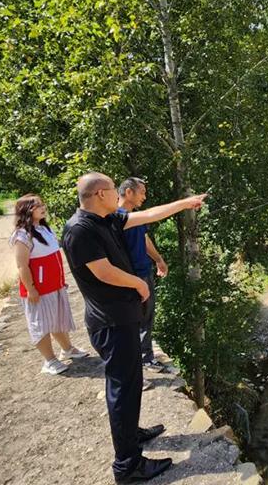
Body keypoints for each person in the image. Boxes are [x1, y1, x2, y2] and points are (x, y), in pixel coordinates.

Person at [61, 172, 206, 484]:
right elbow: (103, 271)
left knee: (129, 385)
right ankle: (128, 467)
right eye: (114, 189)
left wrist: (184, 203)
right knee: (123, 390)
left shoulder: (107, 219)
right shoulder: (79, 230)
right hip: (111, 323)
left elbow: (147, 215)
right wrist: (138, 283)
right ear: (100, 193)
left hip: (121, 316)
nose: (118, 194)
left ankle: (132, 434)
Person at [10, 194, 88, 375]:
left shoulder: (44, 229)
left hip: (55, 286)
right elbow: (22, 265)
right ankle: (49, 360)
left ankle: (67, 348)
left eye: (42, 204)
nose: (42, 208)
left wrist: (60, 280)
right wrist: (31, 289)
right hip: (39, 289)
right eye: (37, 206)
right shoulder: (22, 235)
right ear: (26, 210)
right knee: (41, 324)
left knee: (57, 319)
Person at [116, 177, 168, 368]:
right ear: (128, 192)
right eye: (142, 192)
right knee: (136, 318)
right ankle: (143, 360)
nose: (145, 197)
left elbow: (145, 240)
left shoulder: (134, 216)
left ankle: (145, 356)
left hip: (144, 271)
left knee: (147, 315)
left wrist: (159, 260)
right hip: (131, 276)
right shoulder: (116, 218)